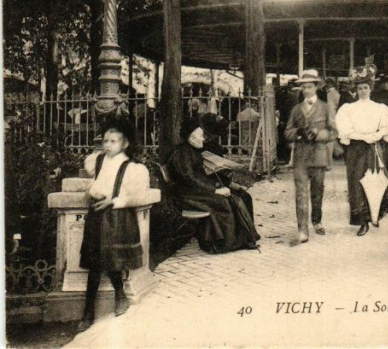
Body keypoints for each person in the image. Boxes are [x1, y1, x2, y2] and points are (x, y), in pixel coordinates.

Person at [77, 119, 150, 332]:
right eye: (105, 140)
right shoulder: (97, 161)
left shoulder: (131, 168)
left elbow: (136, 196)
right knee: (94, 263)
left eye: (113, 141)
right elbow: (95, 181)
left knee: (112, 260)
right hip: (97, 215)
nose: (107, 145)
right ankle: (88, 310)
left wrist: (114, 200)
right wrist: (92, 192)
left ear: (125, 144)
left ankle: (120, 294)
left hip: (117, 218)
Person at [168, 118, 260, 253]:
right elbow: (190, 179)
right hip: (187, 195)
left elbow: (198, 177)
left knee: (240, 196)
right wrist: (215, 190)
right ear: (191, 138)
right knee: (224, 200)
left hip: (196, 191)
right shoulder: (182, 154)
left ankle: (245, 238)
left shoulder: (191, 151)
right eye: (201, 135)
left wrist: (221, 181)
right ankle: (222, 243)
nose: (204, 139)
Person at [335, 65, 388, 236]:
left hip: (375, 147)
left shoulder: (379, 108)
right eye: (360, 88)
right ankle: (363, 221)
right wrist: (362, 137)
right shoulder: (348, 109)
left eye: (365, 88)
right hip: (356, 149)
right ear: (356, 90)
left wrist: (377, 134)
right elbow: (345, 129)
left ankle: (376, 213)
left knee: (377, 180)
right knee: (358, 183)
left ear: (371, 89)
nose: (363, 91)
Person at [285, 69, 337, 243]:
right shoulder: (296, 109)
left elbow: (333, 132)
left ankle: (316, 220)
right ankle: (302, 230)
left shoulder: (325, 107)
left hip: (319, 155)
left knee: (317, 191)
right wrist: (298, 132)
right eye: (304, 87)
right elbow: (287, 132)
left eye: (309, 86)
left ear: (316, 87)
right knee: (300, 193)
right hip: (300, 156)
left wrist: (318, 134)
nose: (306, 90)